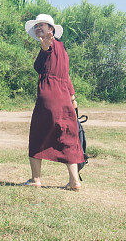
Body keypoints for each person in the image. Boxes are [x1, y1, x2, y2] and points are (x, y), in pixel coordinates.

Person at [21, 14, 84, 191]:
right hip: (64, 98)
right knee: (68, 138)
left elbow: (44, 54)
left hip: (48, 96)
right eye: (36, 26)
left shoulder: (47, 45)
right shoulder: (63, 49)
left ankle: (35, 179)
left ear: (51, 30)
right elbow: (66, 76)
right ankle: (74, 181)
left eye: (42, 25)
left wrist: (44, 46)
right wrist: (72, 98)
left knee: (37, 135)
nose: (38, 28)